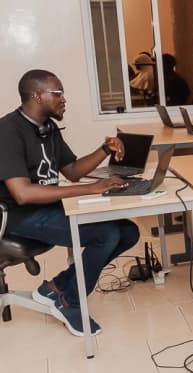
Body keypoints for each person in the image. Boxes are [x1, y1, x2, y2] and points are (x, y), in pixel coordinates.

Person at [0, 69, 139, 336]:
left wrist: (105, 149)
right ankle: (70, 301)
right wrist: (90, 189)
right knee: (105, 234)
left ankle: (54, 288)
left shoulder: (48, 128)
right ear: (37, 96)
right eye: (58, 93)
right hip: (20, 216)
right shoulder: (7, 131)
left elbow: (72, 170)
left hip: (47, 208)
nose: (64, 99)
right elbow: (23, 194)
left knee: (128, 231)